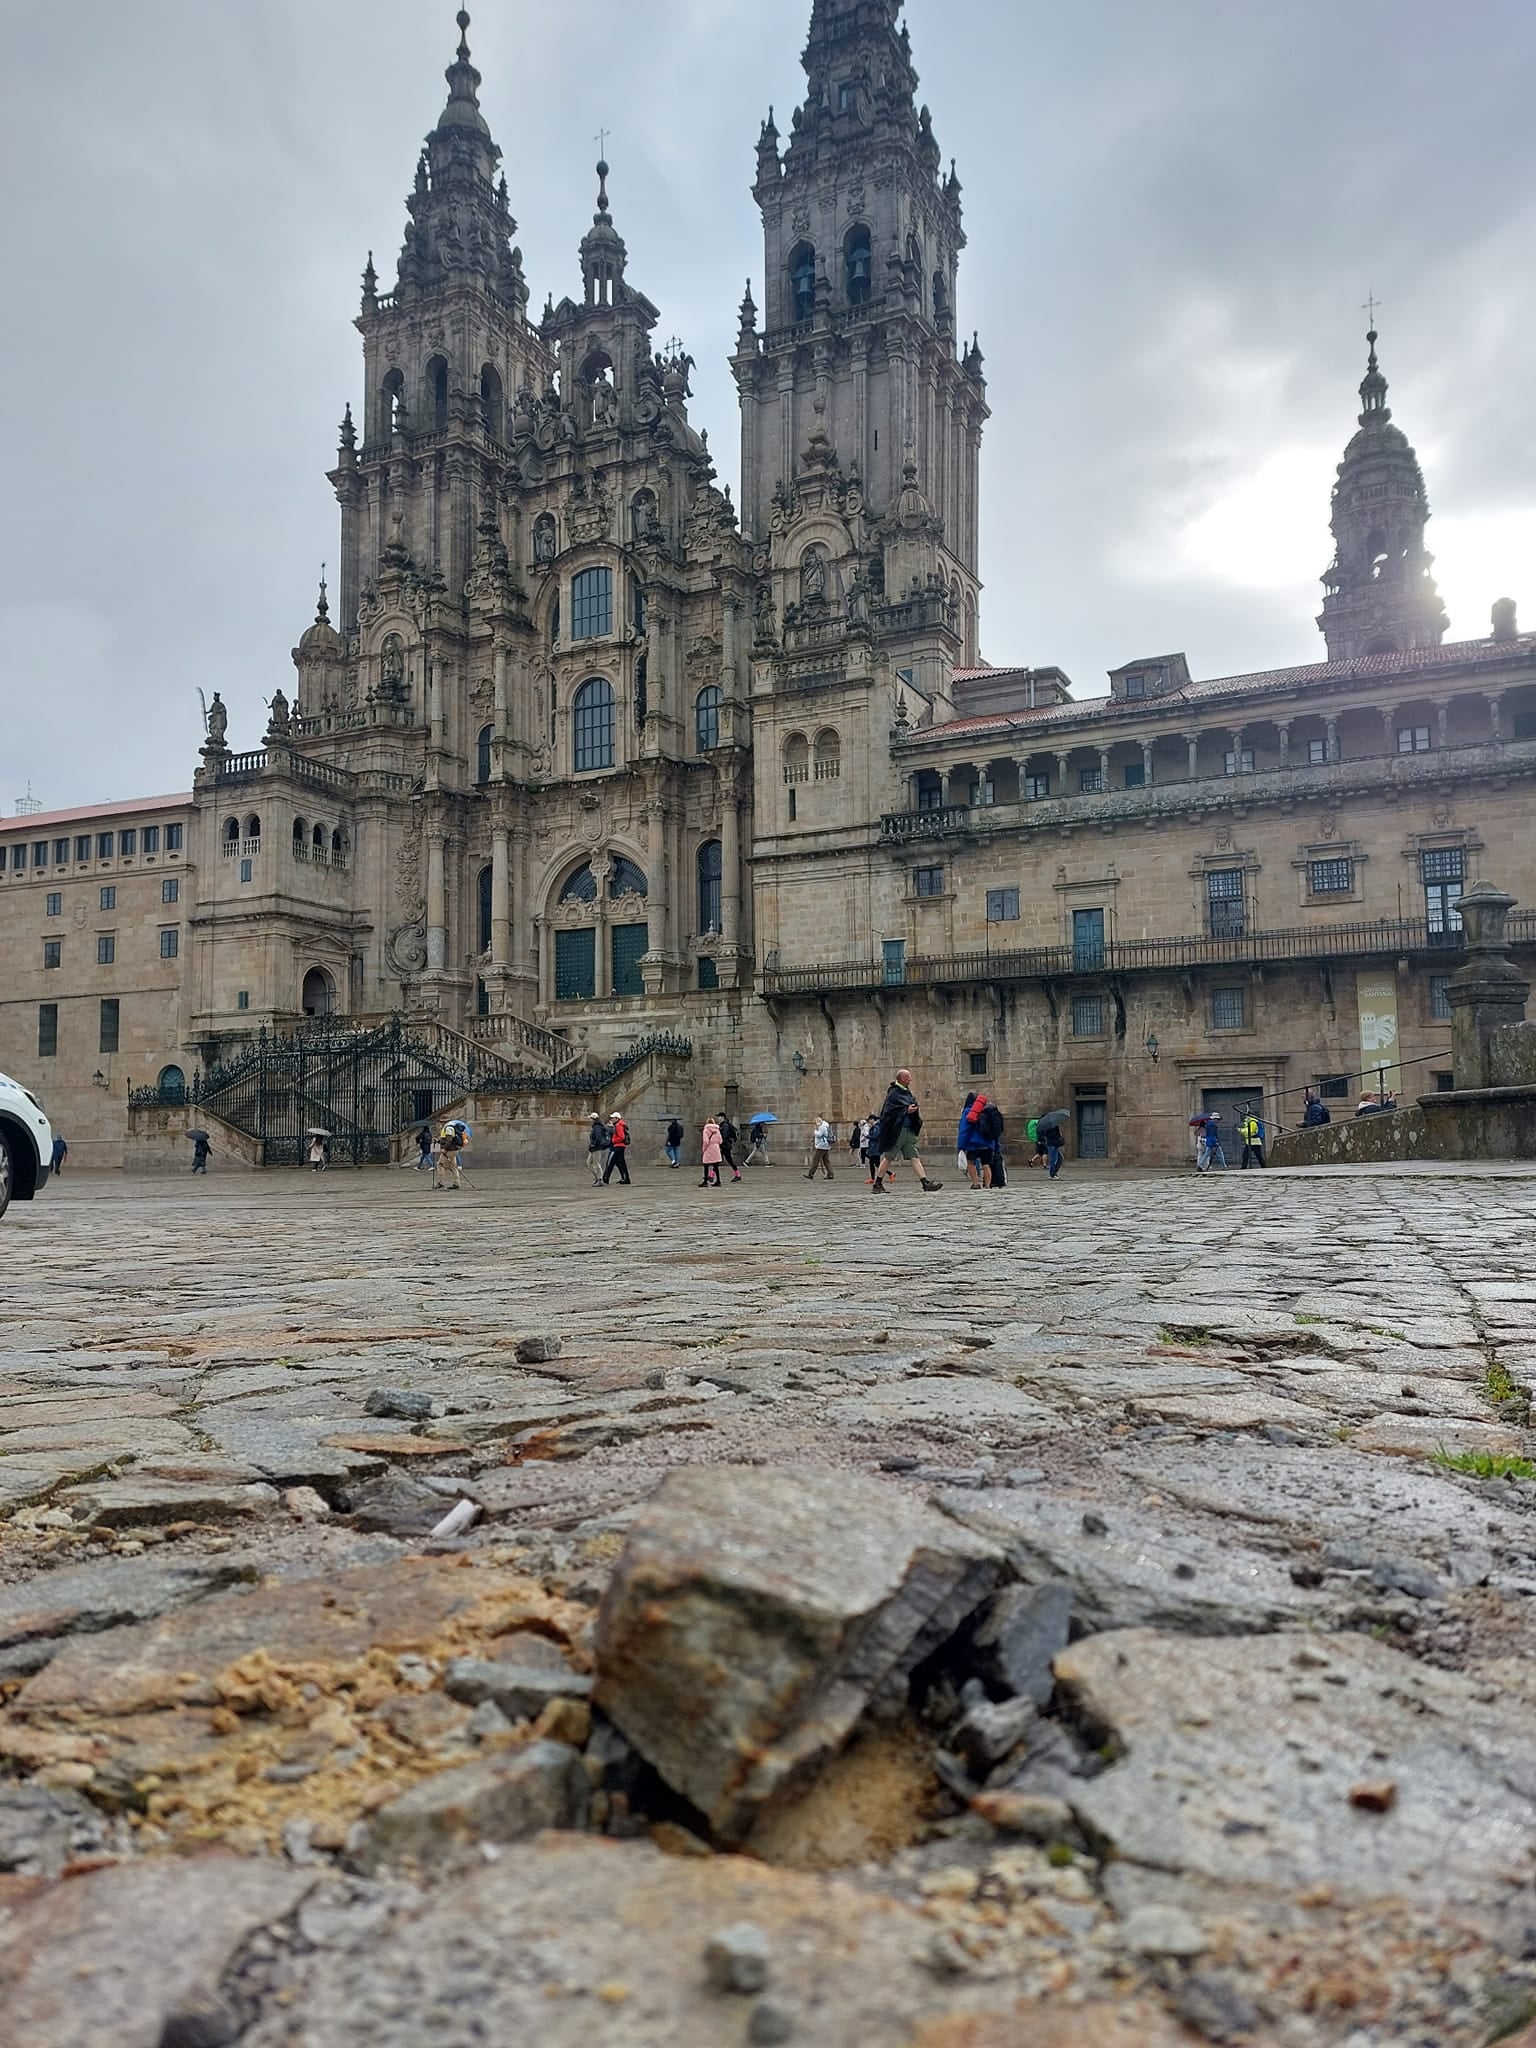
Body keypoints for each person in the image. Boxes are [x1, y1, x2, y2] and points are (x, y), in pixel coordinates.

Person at [871, 1070, 942, 1194]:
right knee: (888, 1157)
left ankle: (925, 1183)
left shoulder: (906, 1092)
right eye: (908, 1077)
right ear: (902, 1079)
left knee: (914, 1156)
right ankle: (877, 1184)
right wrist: (905, 1110)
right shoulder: (893, 1093)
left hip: (908, 1130)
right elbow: (889, 1112)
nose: (911, 1079)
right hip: (898, 1131)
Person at [958, 1092, 993, 1188]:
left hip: (973, 1144)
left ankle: (975, 1183)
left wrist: (961, 1146)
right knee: (986, 1165)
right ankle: (987, 1185)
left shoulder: (968, 1111)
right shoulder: (988, 1111)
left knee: (970, 1162)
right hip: (988, 1142)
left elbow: (964, 1130)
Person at [977, 1097, 1007, 1188]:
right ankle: (998, 1180)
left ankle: (988, 1183)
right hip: (995, 1141)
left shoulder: (983, 1114)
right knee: (996, 1160)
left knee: (986, 1164)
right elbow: (1001, 1128)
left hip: (986, 1142)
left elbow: (982, 1129)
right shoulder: (997, 1115)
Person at [602, 1112, 631, 1184]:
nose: (612, 1119)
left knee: (610, 1162)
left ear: (617, 1118)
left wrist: (613, 1140)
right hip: (620, 1146)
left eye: (613, 1118)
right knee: (620, 1163)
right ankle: (625, 1178)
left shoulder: (618, 1125)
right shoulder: (620, 1124)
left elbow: (622, 1137)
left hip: (618, 1146)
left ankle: (605, 1178)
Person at [435, 1121, 465, 1189]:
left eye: (441, 1122)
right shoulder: (451, 1128)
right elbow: (447, 1140)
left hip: (449, 1150)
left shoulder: (448, 1129)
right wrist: (438, 1141)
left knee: (440, 1164)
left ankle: (440, 1182)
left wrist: (445, 1149)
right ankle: (456, 1183)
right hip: (453, 1150)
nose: (440, 1123)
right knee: (453, 1166)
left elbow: (449, 1140)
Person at [1238, 1104, 1266, 1169]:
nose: (1245, 1117)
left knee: (1257, 1156)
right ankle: (1243, 1167)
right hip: (1250, 1142)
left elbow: (1249, 1132)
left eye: (1246, 1116)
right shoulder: (1249, 1122)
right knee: (1246, 1155)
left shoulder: (1253, 1122)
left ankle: (1263, 1167)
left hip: (1254, 1141)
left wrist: (1240, 1130)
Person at [718, 1112, 742, 1182]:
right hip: (725, 1145)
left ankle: (738, 1175)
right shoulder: (723, 1124)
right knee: (719, 1161)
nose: (718, 1118)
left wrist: (721, 1144)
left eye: (719, 1117)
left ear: (722, 1117)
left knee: (728, 1161)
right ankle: (737, 1175)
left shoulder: (725, 1125)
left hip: (725, 1146)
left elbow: (724, 1135)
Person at [586, 1112, 609, 1183]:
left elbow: (598, 1137)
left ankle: (600, 1179)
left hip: (596, 1148)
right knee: (589, 1163)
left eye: (591, 1119)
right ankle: (597, 1177)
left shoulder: (597, 1127)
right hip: (593, 1148)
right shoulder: (595, 1126)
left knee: (596, 1164)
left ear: (593, 1119)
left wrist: (594, 1144)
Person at [700, 1117, 723, 1187]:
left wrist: (704, 1149)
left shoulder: (706, 1129)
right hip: (716, 1148)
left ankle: (705, 1181)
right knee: (716, 1166)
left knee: (706, 1165)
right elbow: (720, 1140)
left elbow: (706, 1141)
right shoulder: (717, 1129)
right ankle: (718, 1181)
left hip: (709, 1148)